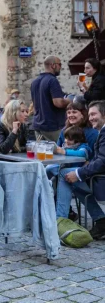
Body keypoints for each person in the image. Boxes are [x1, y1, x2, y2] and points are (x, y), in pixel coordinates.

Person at [56, 100, 105, 240]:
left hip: (100, 179)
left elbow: (101, 161)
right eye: (90, 115)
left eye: (94, 114)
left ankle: (60, 221)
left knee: (65, 174)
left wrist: (79, 173)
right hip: (95, 174)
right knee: (66, 176)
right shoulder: (100, 131)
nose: (91, 118)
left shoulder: (97, 133)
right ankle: (100, 220)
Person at [31, 55, 70, 142]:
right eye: (59, 64)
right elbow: (58, 103)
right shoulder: (52, 80)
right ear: (53, 65)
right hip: (52, 126)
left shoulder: (34, 82)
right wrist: (70, 100)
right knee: (60, 152)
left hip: (37, 125)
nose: (61, 67)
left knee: (43, 153)